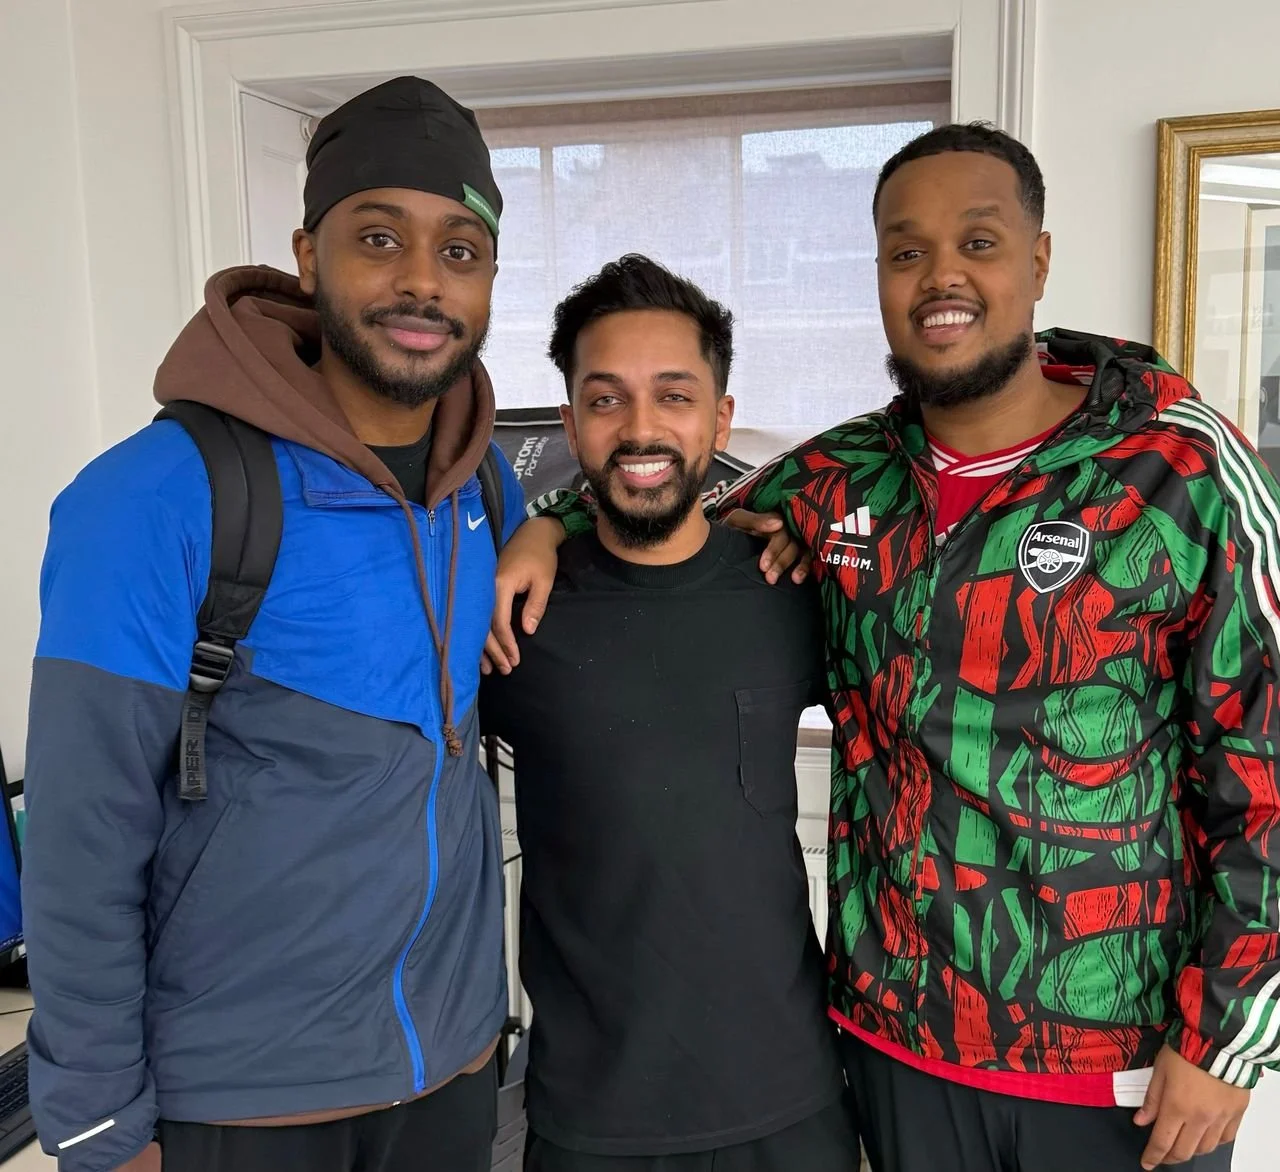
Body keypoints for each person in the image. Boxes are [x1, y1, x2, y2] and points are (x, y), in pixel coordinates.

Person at [489, 125, 1280, 1172]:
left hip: (1117, 1068)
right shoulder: (841, 476)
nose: (939, 276)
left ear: (1036, 259)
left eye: (978, 242)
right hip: (896, 1053)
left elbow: (1260, 764)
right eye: (905, 251)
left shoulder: (1177, 468)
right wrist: (540, 518)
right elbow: (659, 488)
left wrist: (1227, 1034)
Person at [22, 76, 524, 1172]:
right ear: (307, 255)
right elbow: (76, 838)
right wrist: (103, 1126)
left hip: (445, 1070)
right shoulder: (157, 495)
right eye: (378, 236)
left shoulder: (483, 487)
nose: (419, 281)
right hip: (238, 1100)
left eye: (458, 250)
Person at [479, 255, 856, 1172]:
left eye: (674, 396)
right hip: (589, 1115)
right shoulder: (514, 612)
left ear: (720, 417)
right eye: (606, 401)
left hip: (788, 1098)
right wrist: (545, 524)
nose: (641, 428)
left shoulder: (793, 588)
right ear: (569, 421)